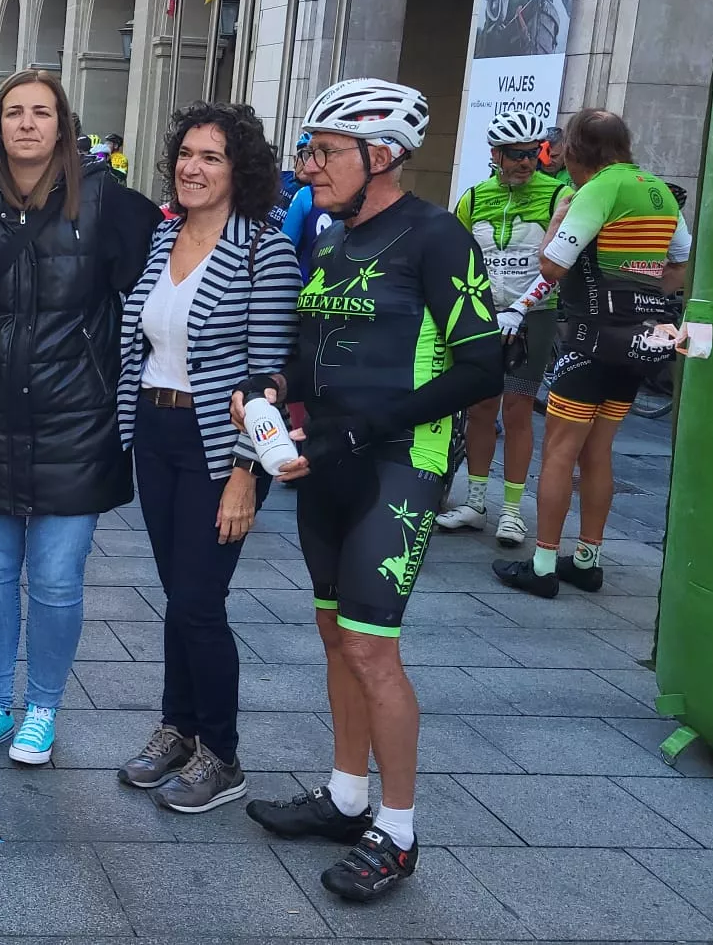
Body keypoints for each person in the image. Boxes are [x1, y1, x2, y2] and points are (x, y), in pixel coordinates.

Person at [235, 79, 502, 901]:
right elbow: (311, 352)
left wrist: (364, 427)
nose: (308, 167)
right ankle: (348, 794)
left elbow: (484, 365)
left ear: (379, 155)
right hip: (330, 461)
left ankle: (398, 828)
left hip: (401, 462)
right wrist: (276, 387)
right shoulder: (326, 238)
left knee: (371, 648)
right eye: (309, 151)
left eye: (324, 151)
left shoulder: (438, 238)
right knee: (333, 636)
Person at [0, 69, 155, 767]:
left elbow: (163, 283)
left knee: (59, 577)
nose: (27, 124)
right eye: (13, 113)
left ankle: (43, 709)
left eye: (41, 112)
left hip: (77, 418)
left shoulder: (109, 203)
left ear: (63, 125)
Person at [114, 102, 297, 812]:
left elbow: (266, 375)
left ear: (239, 169)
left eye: (211, 157)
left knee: (199, 600)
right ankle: (178, 730)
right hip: (156, 437)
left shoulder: (266, 249)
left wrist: (245, 475)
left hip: (220, 447)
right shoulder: (164, 240)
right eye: (186, 153)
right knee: (180, 596)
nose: (193, 167)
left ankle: (222, 753)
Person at [492, 109, 688, 597]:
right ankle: (587, 559)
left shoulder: (599, 188)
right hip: (638, 341)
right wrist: (644, 299)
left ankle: (541, 567)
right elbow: (680, 259)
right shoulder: (658, 189)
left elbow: (552, 265)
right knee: (599, 450)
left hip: (590, 338)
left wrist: (561, 216)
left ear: (578, 152)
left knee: (560, 449)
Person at [436, 110, 571, 546]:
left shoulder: (558, 195)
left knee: (516, 410)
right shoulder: (474, 198)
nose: (525, 163)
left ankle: (512, 511)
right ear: (495, 154)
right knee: (479, 410)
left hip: (534, 316)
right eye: (515, 155)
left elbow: (559, 264)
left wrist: (522, 307)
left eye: (532, 154)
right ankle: (475, 503)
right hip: (483, 314)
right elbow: (456, 258)